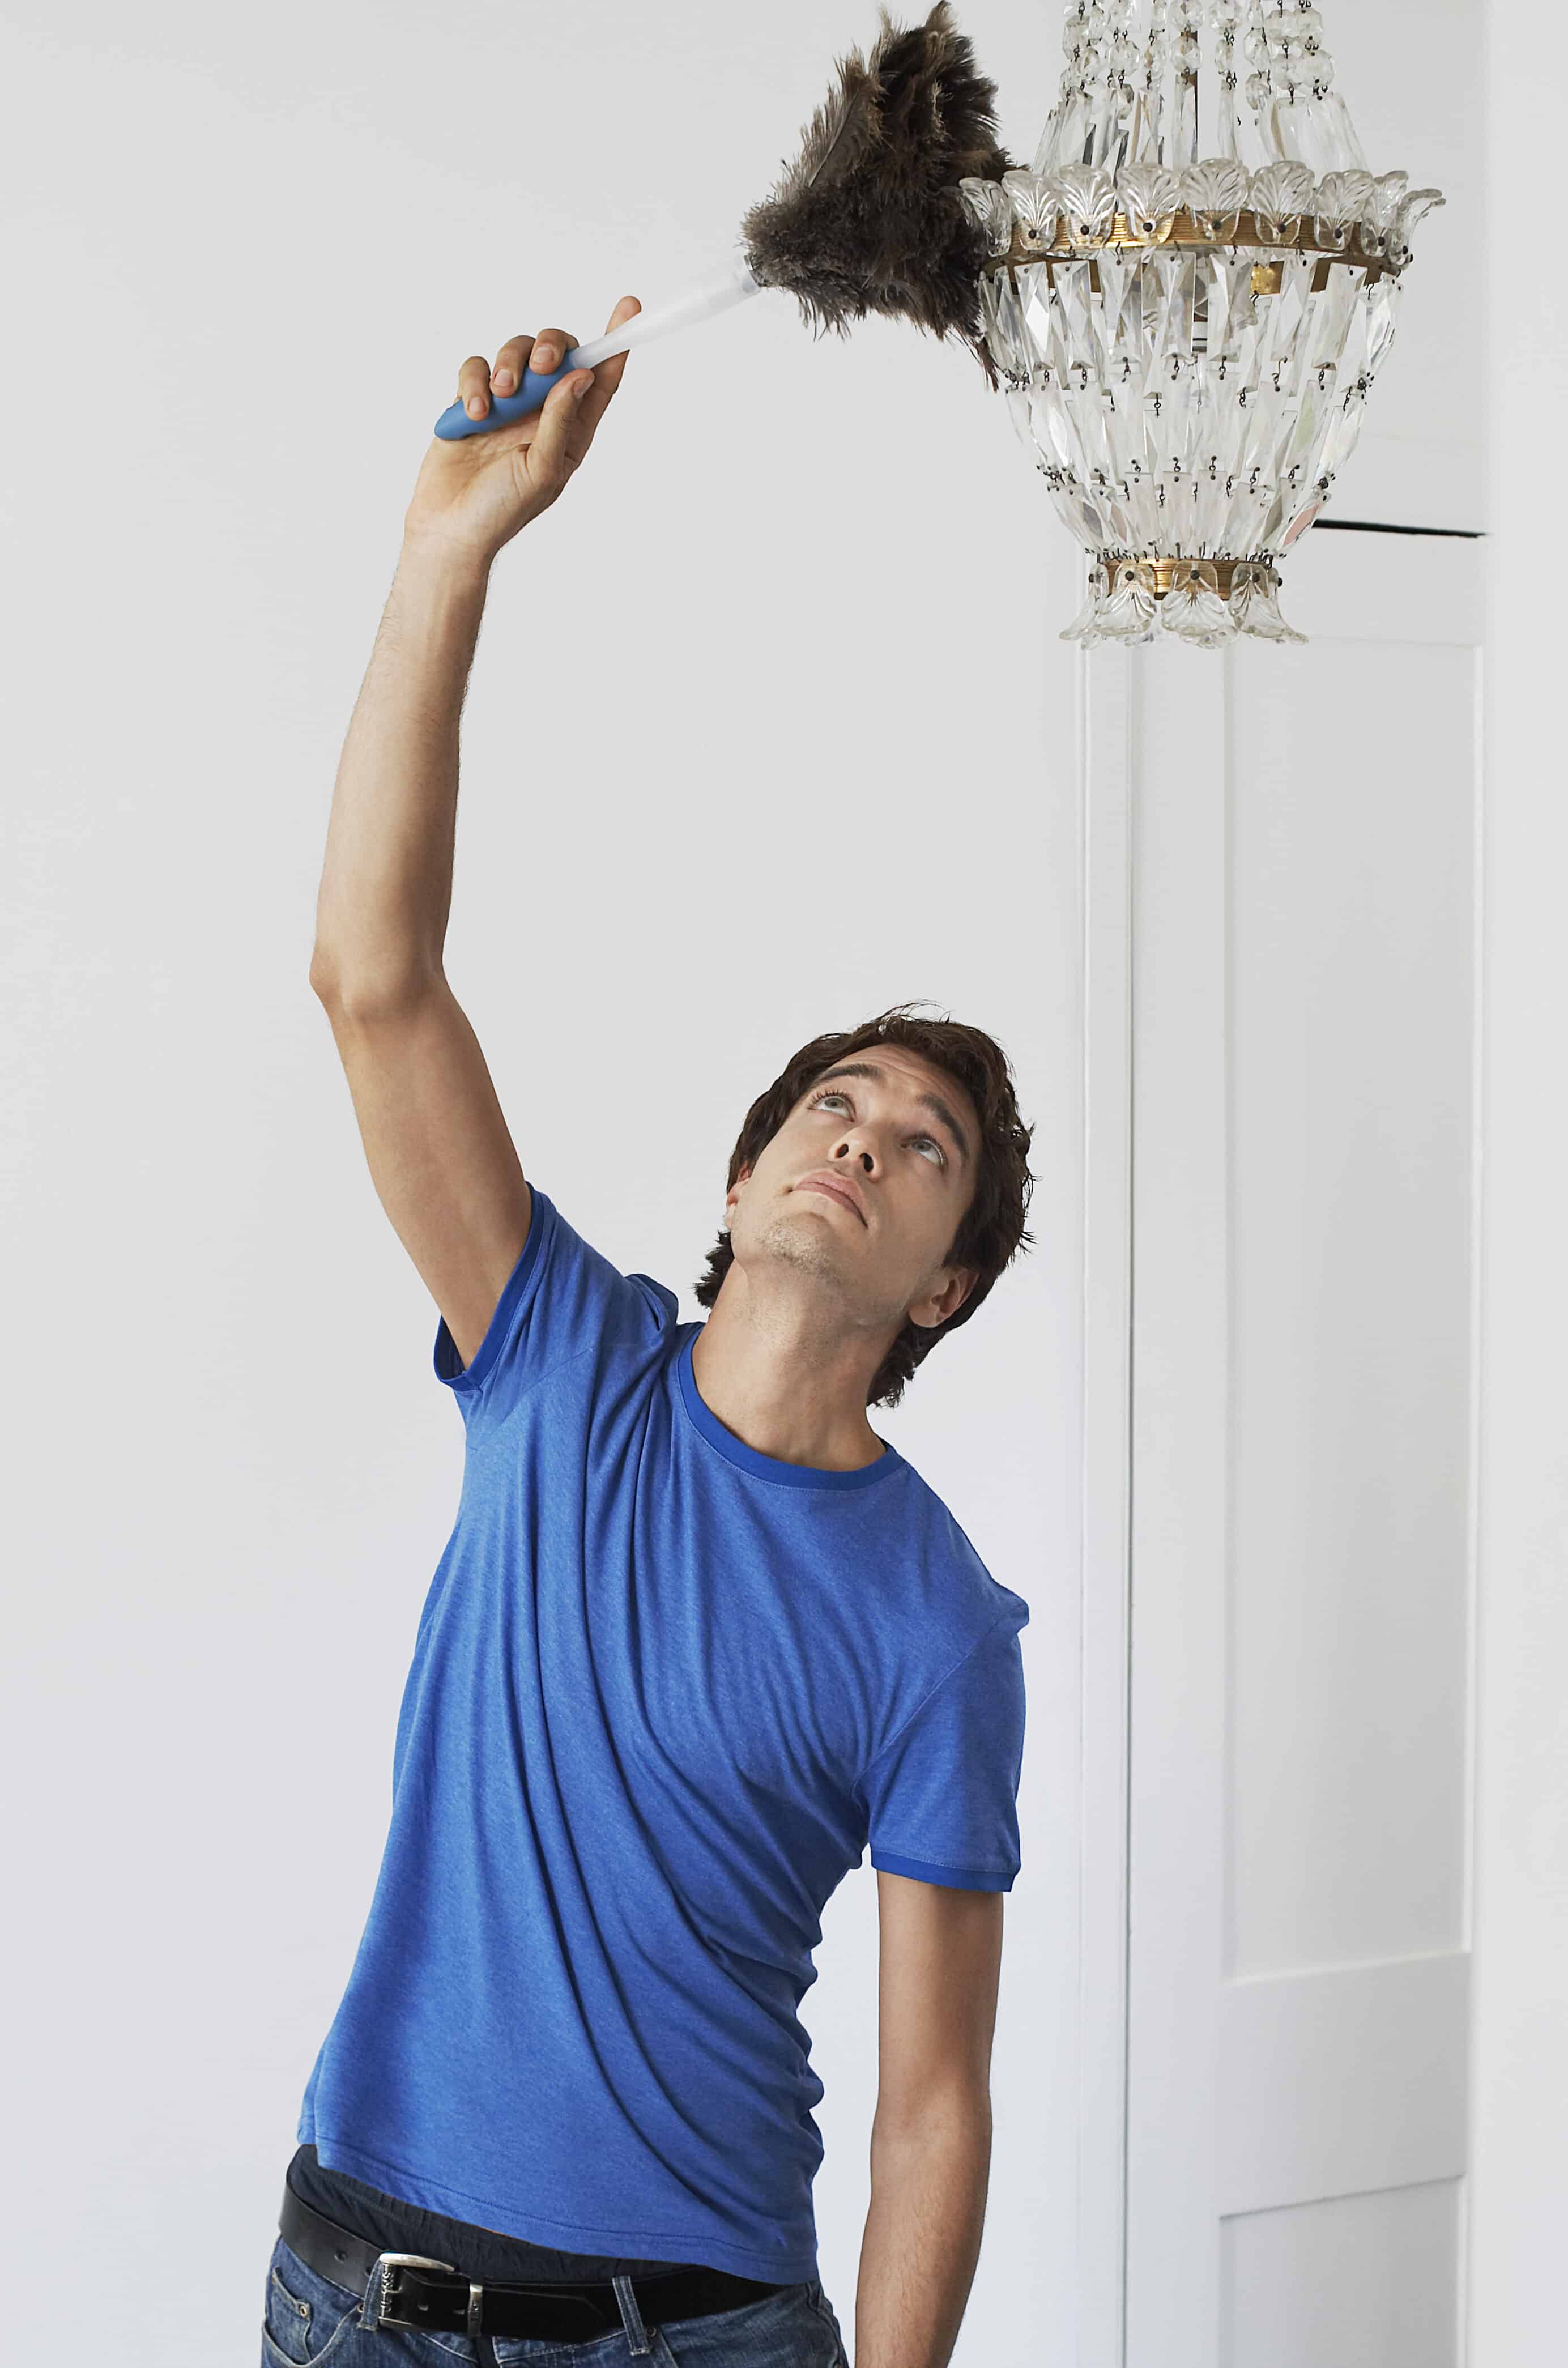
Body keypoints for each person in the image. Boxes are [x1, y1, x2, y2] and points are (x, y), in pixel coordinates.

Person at [266, 299, 1037, 2368]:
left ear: (942, 1283)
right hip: (366, 2298)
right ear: (741, 1177)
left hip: (697, 2333)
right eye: (833, 1108)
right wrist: (448, 553)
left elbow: (935, 2094)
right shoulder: (553, 1357)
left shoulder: (941, 1621)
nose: (860, 1146)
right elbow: (373, 977)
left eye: (925, 1148)